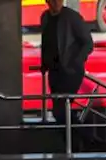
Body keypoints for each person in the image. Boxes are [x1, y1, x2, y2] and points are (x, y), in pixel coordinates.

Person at [39, 0, 94, 133]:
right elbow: (45, 42)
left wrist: (77, 60)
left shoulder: (72, 17)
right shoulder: (45, 17)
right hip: (54, 70)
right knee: (58, 109)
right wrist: (44, 63)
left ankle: (83, 137)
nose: (56, 2)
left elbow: (88, 43)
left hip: (70, 71)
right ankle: (73, 139)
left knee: (61, 108)